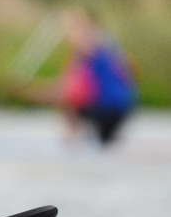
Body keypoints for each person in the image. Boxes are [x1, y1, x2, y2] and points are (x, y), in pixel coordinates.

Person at [21, 11, 138, 146]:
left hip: (105, 107)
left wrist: (26, 92)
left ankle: (72, 143)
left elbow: (61, 91)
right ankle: (92, 140)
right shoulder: (112, 46)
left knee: (67, 100)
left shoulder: (84, 52)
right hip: (126, 107)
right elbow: (133, 71)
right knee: (105, 144)